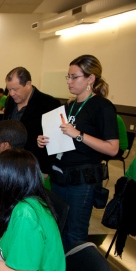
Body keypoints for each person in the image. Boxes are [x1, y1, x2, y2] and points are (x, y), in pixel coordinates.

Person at [37, 54, 119, 251]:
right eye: (68, 77)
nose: (69, 82)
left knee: (75, 232)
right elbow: (62, 139)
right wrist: (45, 140)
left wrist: (79, 135)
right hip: (60, 176)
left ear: (90, 79)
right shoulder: (68, 105)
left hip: (83, 180)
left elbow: (112, 148)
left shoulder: (102, 107)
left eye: (74, 77)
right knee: (58, 227)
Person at [3, 67, 60, 176]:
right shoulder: (10, 101)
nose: (12, 93)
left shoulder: (49, 104)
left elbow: (55, 141)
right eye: (9, 89)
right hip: (11, 163)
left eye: (15, 89)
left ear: (28, 84)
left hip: (35, 166)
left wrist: (45, 170)